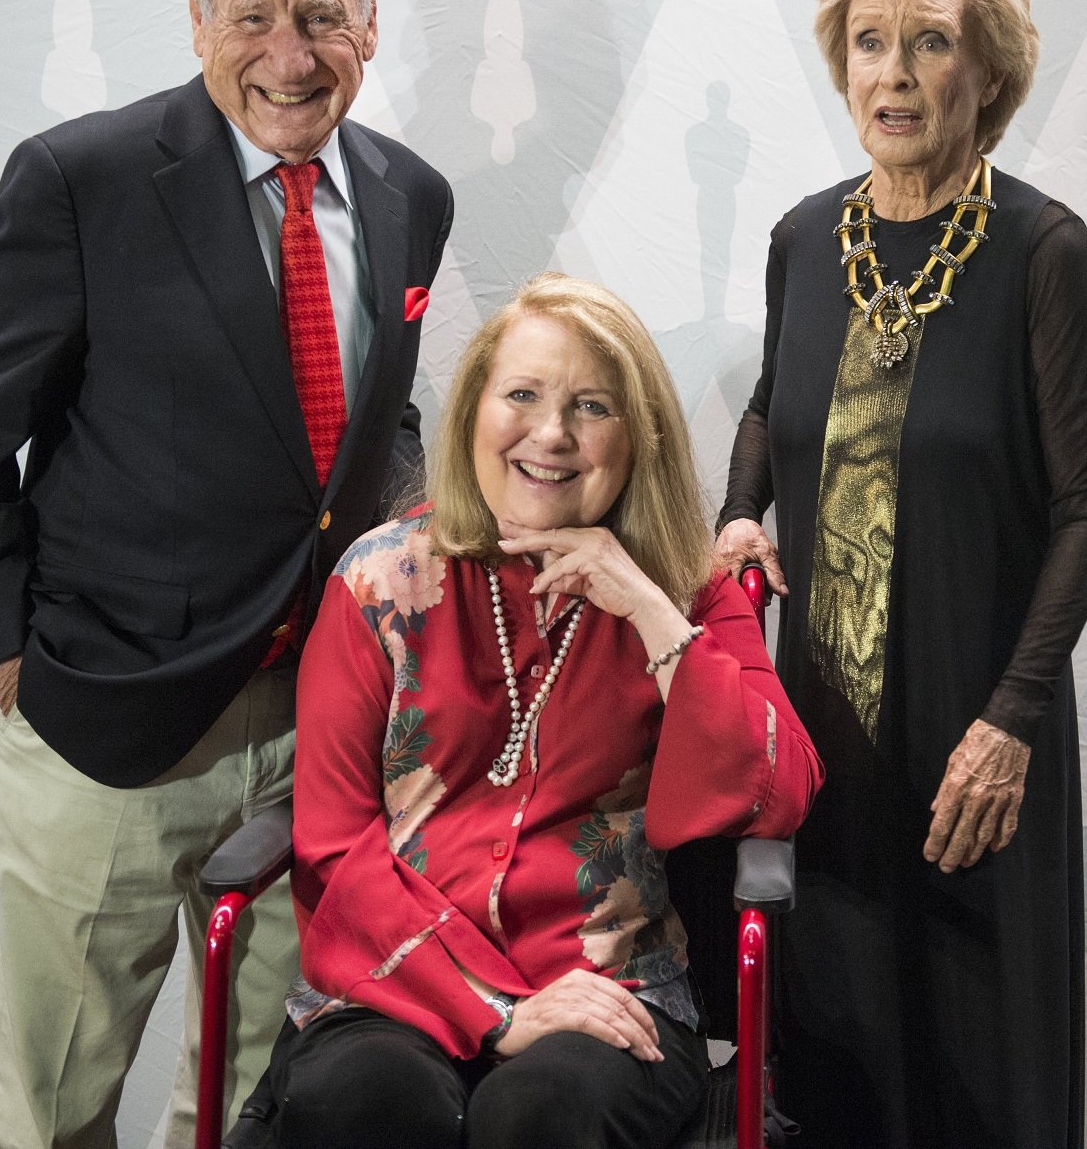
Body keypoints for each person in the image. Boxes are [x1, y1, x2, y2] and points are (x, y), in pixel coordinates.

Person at [0, 0, 453, 1147]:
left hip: (319, 723)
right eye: (251, 16)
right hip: (105, 714)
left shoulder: (408, 194)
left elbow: (374, 414)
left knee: (257, 1099)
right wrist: (12, 664)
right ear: (196, 23)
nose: (288, 54)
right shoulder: (82, 179)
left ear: (368, 24)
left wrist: (417, 526)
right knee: (52, 1104)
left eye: (319, 16)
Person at [716, 0, 1087, 1146]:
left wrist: (1012, 722)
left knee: (975, 1070)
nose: (890, 73)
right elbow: (761, 408)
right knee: (834, 1053)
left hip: (972, 741)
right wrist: (738, 514)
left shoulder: (1041, 249)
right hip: (823, 737)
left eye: (927, 43)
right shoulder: (801, 236)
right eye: (868, 43)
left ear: (984, 73)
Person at [270, 274, 823, 1148]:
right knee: (362, 1100)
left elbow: (780, 788)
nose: (552, 434)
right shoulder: (377, 582)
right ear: (473, 415)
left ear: (637, 436)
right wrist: (494, 1010)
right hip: (403, 979)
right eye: (521, 395)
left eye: (591, 406)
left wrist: (645, 606)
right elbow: (336, 846)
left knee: (537, 1116)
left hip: (611, 988)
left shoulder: (689, 591)